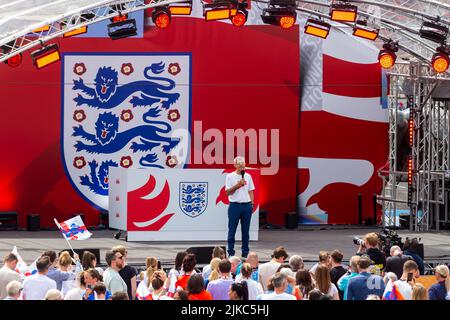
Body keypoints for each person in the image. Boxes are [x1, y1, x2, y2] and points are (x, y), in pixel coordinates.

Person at [225, 156, 255, 258]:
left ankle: (245, 253)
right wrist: (238, 185)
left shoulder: (248, 176)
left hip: (246, 206)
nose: (242, 166)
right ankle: (231, 252)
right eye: (239, 164)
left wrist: (252, 204)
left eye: (243, 164)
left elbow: (251, 191)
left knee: (245, 231)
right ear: (235, 165)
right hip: (235, 206)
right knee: (232, 230)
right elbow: (227, 192)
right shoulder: (230, 176)